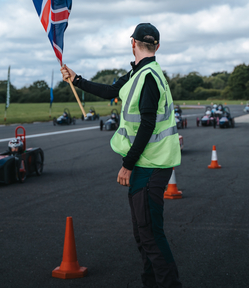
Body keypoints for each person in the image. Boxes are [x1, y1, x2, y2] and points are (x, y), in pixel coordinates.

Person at [61, 23, 182, 288]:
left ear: (132, 42)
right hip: (146, 163)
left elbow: (148, 125)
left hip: (149, 164)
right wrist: (76, 79)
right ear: (157, 46)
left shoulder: (148, 76)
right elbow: (111, 91)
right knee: (143, 235)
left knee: (150, 235)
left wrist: (127, 165)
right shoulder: (139, 73)